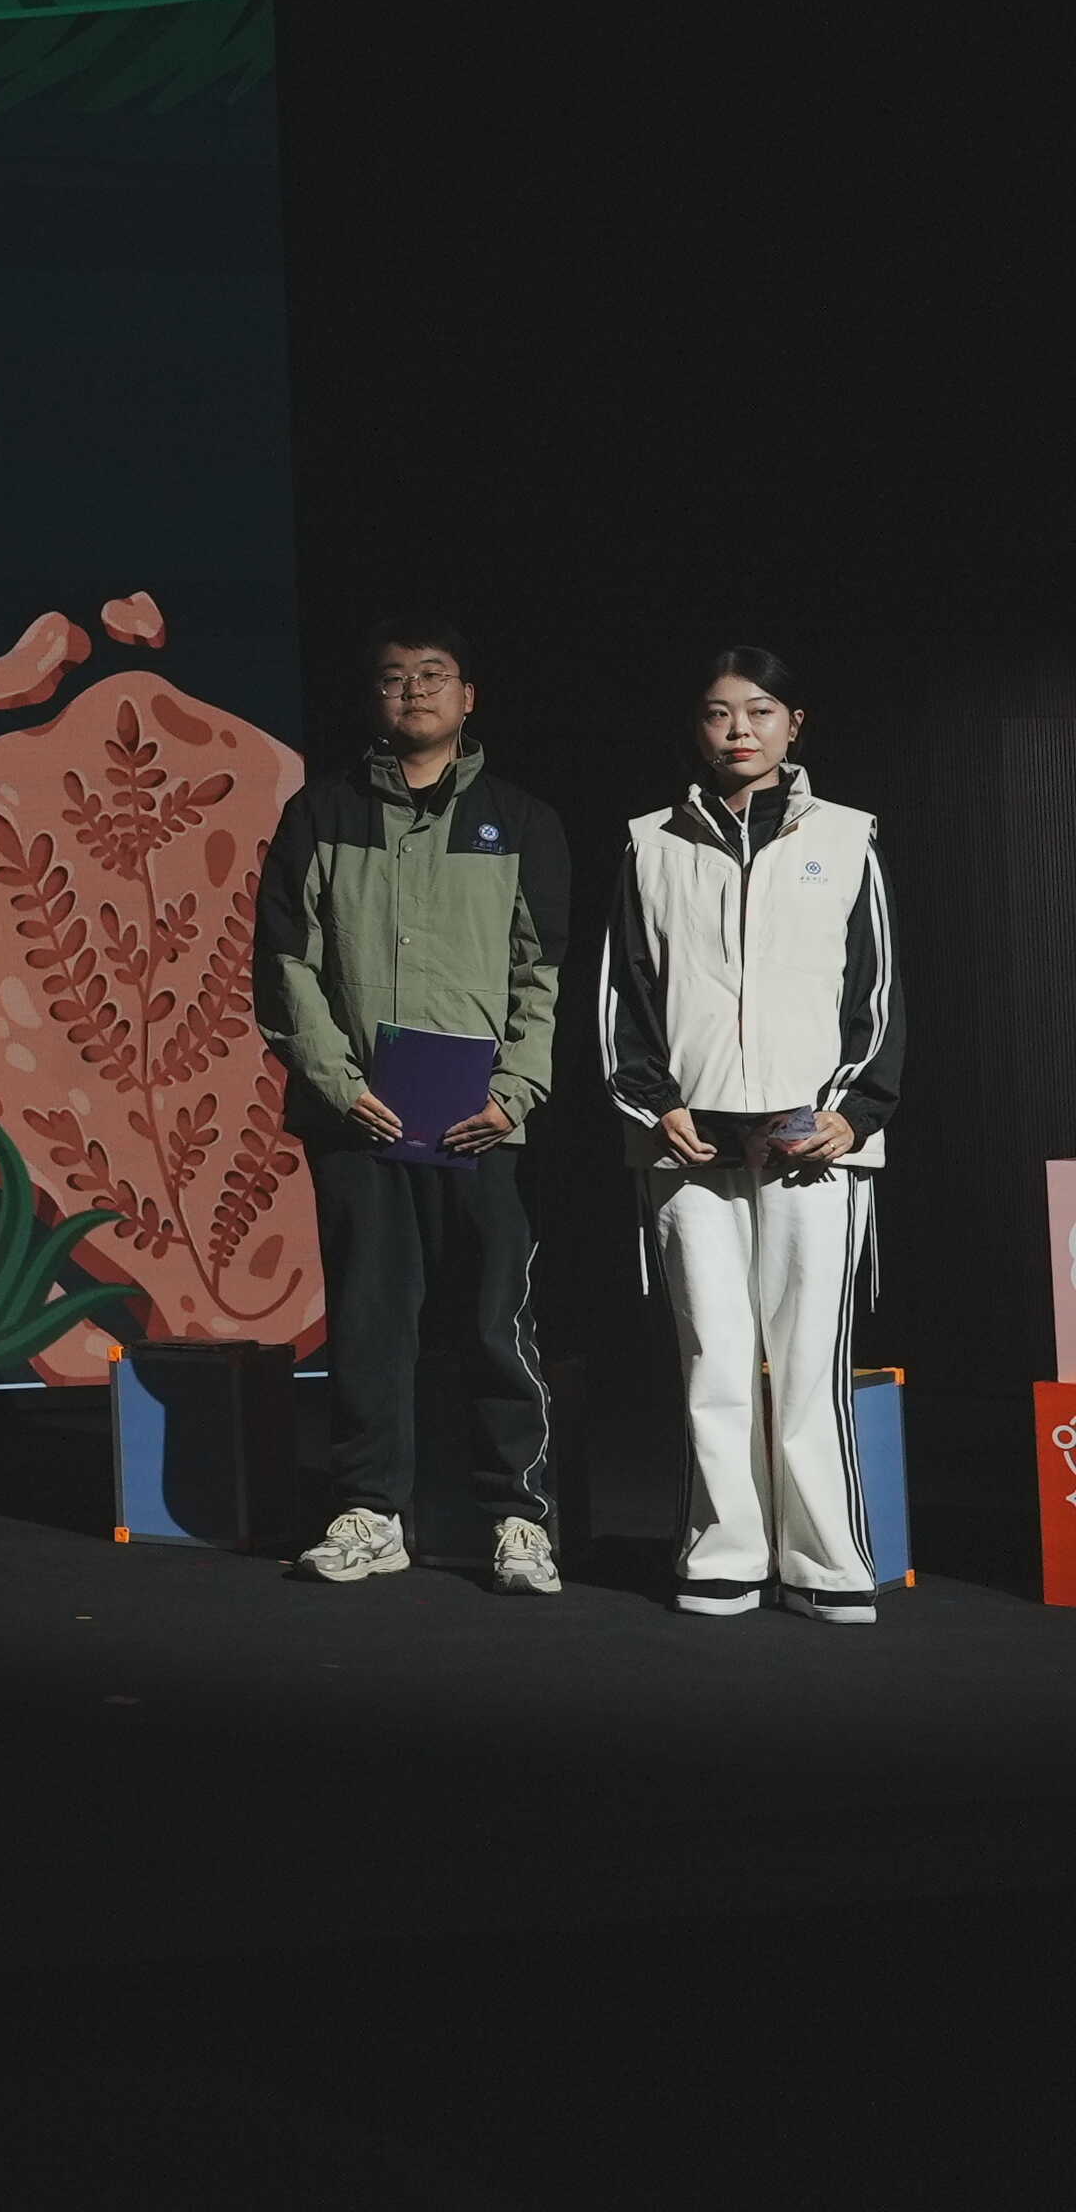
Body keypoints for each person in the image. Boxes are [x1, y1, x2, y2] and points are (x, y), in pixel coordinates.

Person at [254, 620, 571, 1593]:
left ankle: (518, 1517)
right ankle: (369, 1511)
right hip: (358, 1119)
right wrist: (340, 1085)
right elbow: (284, 965)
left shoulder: (521, 820)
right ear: (374, 699)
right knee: (368, 1321)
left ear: (468, 696)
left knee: (493, 1322)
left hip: (481, 1122)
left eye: (433, 676)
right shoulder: (321, 813)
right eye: (393, 679)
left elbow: (544, 971)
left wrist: (514, 1093)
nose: (414, 692)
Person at [604, 647, 904, 1622]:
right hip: (688, 1140)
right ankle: (723, 1551)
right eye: (718, 712)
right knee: (713, 1353)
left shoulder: (848, 836)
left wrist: (854, 1110)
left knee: (809, 1356)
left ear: (793, 723)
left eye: (760, 710)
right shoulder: (651, 843)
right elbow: (623, 992)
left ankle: (825, 1563)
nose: (739, 729)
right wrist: (653, 1103)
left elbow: (877, 990)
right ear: (697, 728)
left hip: (815, 1141)